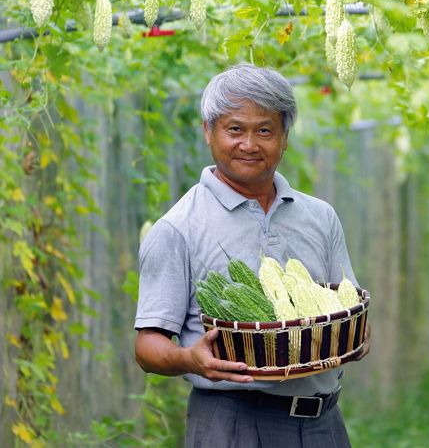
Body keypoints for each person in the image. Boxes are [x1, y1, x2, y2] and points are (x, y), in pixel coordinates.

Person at [133, 63, 369, 447]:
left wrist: (353, 335)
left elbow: (345, 303)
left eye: (265, 130)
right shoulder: (178, 228)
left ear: (285, 137)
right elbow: (147, 345)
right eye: (235, 129)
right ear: (208, 132)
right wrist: (190, 359)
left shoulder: (319, 217)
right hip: (233, 422)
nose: (249, 144)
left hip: (323, 422)